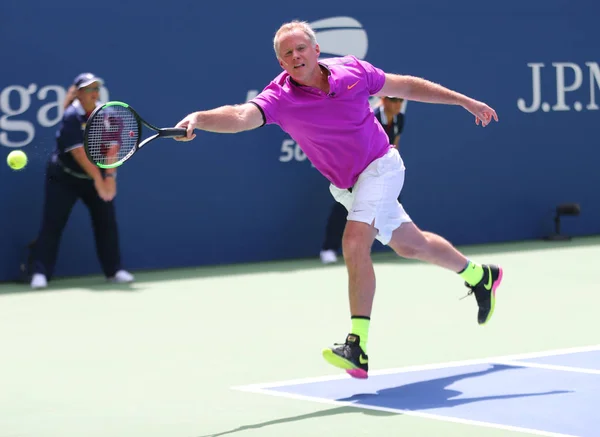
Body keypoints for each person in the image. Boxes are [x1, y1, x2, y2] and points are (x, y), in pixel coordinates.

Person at [173, 20, 503, 379]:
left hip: (380, 166)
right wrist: (200, 119)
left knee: (353, 241)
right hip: (348, 186)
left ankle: (356, 346)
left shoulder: (353, 71)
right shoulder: (280, 97)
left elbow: (404, 85)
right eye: (287, 53)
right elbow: (239, 115)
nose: (296, 56)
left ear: (316, 50)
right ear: (282, 64)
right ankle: (480, 275)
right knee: (411, 245)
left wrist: (463, 101)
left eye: (301, 48)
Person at [29, 72, 134, 289]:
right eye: (88, 89)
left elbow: (112, 149)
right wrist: (99, 179)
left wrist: (110, 177)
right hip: (63, 177)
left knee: (106, 222)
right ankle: (40, 273)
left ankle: (114, 271)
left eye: (96, 88)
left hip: (96, 176)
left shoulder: (109, 115)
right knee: (53, 223)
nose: (93, 93)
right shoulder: (71, 116)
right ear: (77, 94)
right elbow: (79, 153)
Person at [319, 96, 406, 264]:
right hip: (356, 169)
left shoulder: (400, 119)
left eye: (401, 101)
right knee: (345, 208)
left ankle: (401, 244)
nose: (398, 104)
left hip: (382, 171)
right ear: (384, 100)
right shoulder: (370, 117)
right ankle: (328, 248)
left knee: (393, 206)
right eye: (394, 100)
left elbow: (395, 144)